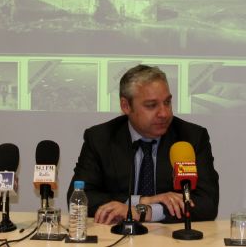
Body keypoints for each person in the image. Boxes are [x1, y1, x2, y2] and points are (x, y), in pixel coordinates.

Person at [67, 64, 219, 224]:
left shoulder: (190, 138)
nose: (164, 113)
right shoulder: (100, 138)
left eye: (167, 102)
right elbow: (78, 198)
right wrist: (144, 200)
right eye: (151, 105)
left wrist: (145, 211)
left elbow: (207, 202)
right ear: (126, 106)